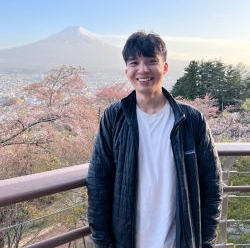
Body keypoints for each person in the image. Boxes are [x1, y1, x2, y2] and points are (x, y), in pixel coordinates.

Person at [86, 31, 222, 248]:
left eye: (151, 61)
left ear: (165, 67)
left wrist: (204, 241)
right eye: (135, 62)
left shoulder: (192, 120)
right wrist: (103, 242)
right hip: (127, 241)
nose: (143, 69)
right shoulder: (114, 117)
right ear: (127, 71)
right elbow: (98, 181)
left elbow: (211, 185)